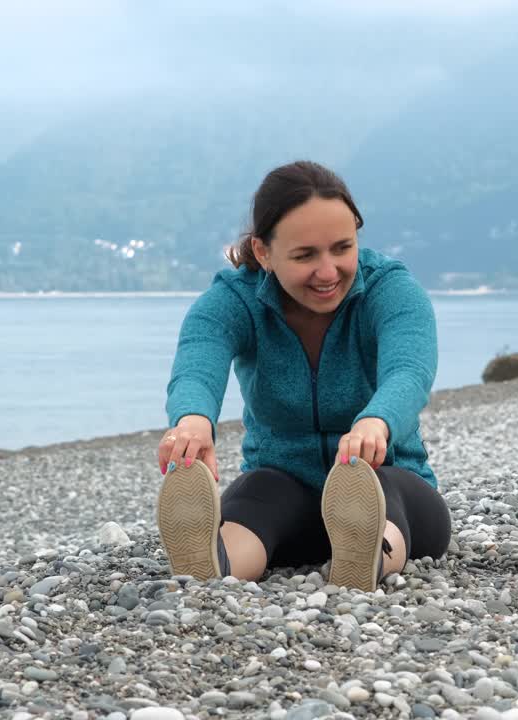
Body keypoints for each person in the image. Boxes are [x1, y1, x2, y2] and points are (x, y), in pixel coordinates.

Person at [155, 160, 451, 592]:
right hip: (284, 489)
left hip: (386, 482)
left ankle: (369, 556)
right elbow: (199, 358)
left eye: (342, 248)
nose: (328, 272)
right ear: (263, 253)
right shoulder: (235, 300)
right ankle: (213, 562)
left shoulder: (391, 290)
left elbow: (409, 370)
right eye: (305, 255)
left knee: (383, 492)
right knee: (253, 501)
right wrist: (193, 420)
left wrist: (377, 421)